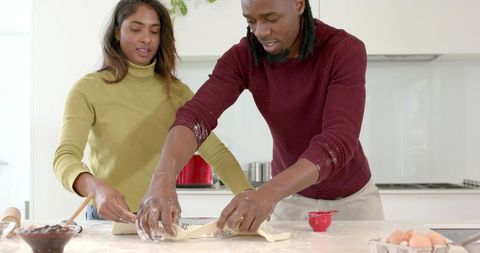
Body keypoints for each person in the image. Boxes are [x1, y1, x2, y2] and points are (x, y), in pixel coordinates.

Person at [136, 0, 385, 239]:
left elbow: (338, 142)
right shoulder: (244, 56)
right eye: (251, 20)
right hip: (290, 201)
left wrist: (268, 193)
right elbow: (196, 116)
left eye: (271, 18)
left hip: (353, 202)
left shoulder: (342, 50)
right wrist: (162, 179)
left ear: (299, 4)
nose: (261, 31)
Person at [53, 0, 252, 223]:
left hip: (160, 217)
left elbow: (216, 153)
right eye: (136, 29)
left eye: (154, 31)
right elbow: (65, 158)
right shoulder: (87, 90)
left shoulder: (177, 92)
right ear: (118, 32)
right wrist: (96, 188)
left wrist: (250, 199)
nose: (146, 38)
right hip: (105, 219)